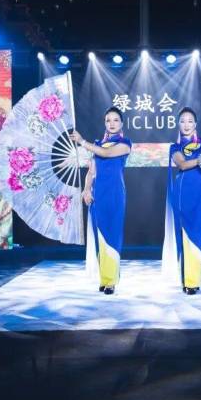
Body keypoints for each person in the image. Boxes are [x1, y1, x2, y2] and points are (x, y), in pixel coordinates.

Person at [70, 107, 132, 295]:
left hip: (115, 194)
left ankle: (111, 281)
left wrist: (82, 142)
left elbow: (106, 154)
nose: (111, 123)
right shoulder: (98, 144)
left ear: (121, 123)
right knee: (100, 237)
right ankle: (104, 279)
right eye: (108, 120)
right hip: (98, 195)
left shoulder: (125, 143)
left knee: (112, 236)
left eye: (115, 120)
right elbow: (91, 171)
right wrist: (86, 189)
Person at [161, 107, 201, 295]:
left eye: (190, 121)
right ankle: (189, 281)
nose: (186, 124)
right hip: (183, 193)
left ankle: (196, 278)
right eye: (182, 121)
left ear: (195, 124)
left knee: (200, 233)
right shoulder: (175, 147)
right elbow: (182, 164)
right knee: (187, 234)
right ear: (178, 125)